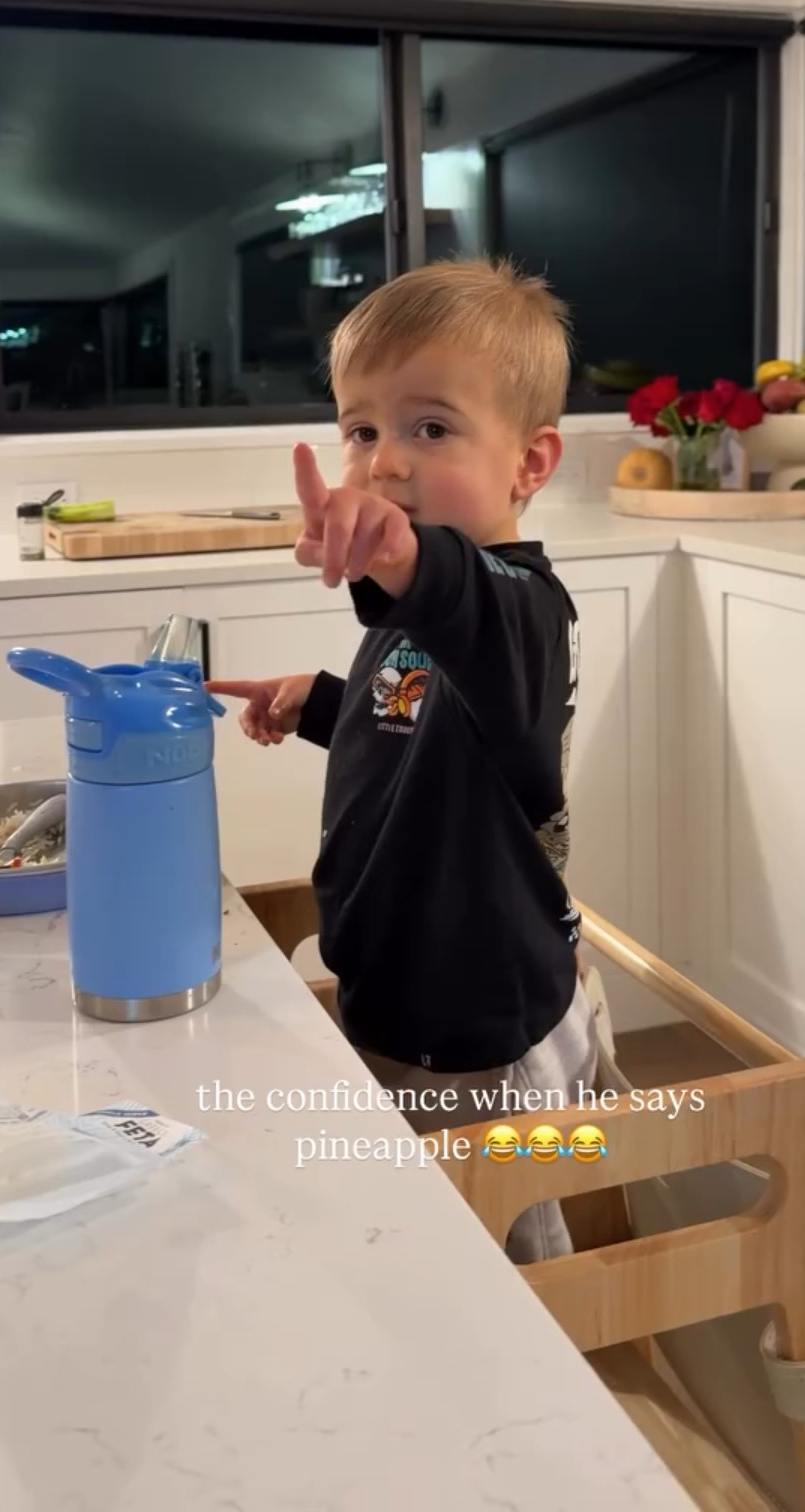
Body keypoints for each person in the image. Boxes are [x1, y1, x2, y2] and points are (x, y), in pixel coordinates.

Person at [208, 257, 595, 1262]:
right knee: (415, 1225)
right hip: (397, 990)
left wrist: (403, 555)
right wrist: (321, 705)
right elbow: (423, 732)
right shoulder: (420, 613)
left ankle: (543, 1391)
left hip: (472, 1027)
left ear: (530, 463)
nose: (384, 462)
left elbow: (464, 603)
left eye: (431, 428)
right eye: (363, 430)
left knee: (497, 1250)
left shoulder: (521, 611)